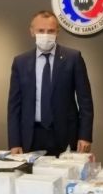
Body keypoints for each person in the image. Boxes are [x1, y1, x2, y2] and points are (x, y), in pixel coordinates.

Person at [7, 10, 93, 156]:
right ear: (32, 32)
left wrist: (85, 135)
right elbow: (14, 106)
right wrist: (14, 142)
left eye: (51, 31)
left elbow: (85, 101)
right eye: (41, 30)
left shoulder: (73, 58)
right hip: (31, 136)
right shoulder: (20, 62)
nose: (46, 35)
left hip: (65, 136)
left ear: (57, 32)